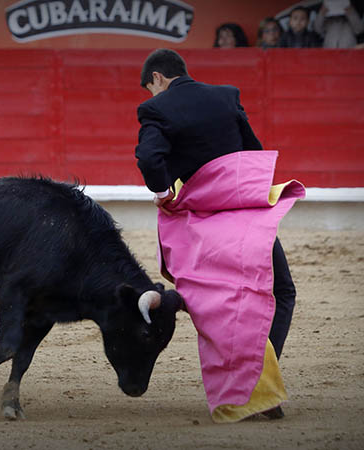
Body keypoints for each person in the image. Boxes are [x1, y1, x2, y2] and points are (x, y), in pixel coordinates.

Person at [135, 49, 298, 421]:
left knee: (212, 300)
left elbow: (148, 158)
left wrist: (164, 195)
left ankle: (251, 381)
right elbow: (253, 152)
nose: (151, 96)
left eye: (150, 89)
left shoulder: (155, 109)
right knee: (281, 290)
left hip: (200, 225)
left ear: (157, 78)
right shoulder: (226, 95)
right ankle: (259, 382)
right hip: (246, 219)